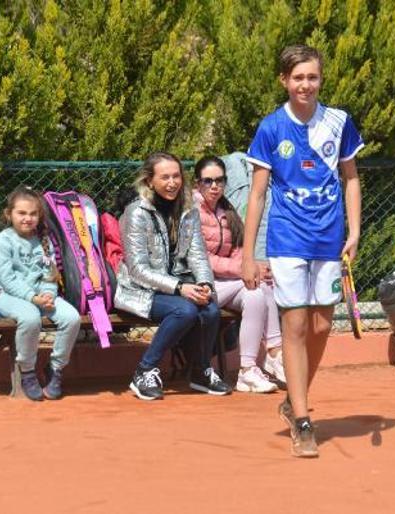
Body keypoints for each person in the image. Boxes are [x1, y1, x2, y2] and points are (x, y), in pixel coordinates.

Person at [243, 45, 364, 457]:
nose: (305, 85)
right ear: (284, 81)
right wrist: (248, 255)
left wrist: (356, 230)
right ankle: (303, 418)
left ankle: (293, 400)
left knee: (321, 328)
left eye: (312, 77)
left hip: (329, 240)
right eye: (298, 78)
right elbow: (257, 195)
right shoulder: (271, 128)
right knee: (294, 328)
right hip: (287, 240)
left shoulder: (339, 122)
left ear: (321, 79)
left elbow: (350, 178)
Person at [115, 152, 233, 401]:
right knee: (184, 311)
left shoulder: (188, 210)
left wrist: (204, 285)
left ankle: (200, 372)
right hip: (139, 290)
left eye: (176, 176)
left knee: (210, 308)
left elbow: (198, 256)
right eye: (165, 177)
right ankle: (144, 370)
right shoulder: (136, 213)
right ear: (149, 181)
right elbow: (138, 270)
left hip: (178, 287)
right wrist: (180, 287)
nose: (172, 182)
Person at [193, 156, 285, 394]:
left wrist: (250, 265)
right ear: (197, 184)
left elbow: (238, 249)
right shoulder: (190, 212)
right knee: (257, 284)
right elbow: (200, 258)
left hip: (224, 283)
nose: (215, 186)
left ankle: (248, 370)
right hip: (197, 284)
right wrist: (242, 269)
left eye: (220, 180)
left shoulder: (226, 210)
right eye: (208, 181)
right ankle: (274, 352)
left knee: (258, 289)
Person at [0, 186, 81, 401]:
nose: (27, 218)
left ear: (40, 216)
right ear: (9, 214)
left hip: (39, 296)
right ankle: (27, 371)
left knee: (72, 318)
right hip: (5, 295)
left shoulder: (43, 241)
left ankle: (55, 369)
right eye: (21, 213)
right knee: (29, 318)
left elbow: (49, 275)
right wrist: (33, 298)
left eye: (33, 214)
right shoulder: (2, 242)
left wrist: (49, 294)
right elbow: (8, 280)